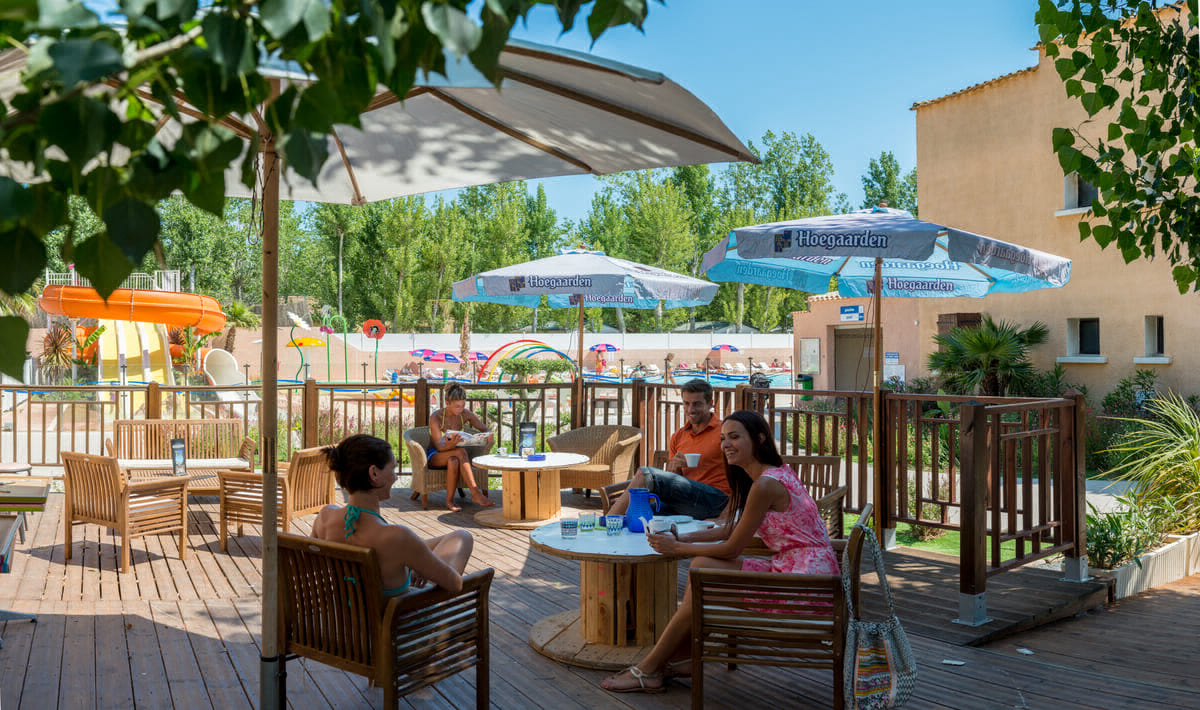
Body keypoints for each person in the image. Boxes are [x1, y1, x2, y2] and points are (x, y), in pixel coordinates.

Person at [600, 410, 839, 693]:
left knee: (703, 581)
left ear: (760, 438)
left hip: (807, 585)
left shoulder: (765, 484)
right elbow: (731, 529)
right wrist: (684, 536)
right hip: (801, 571)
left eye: (735, 437)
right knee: (701, 565)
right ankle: (680, 659)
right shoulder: (771, 474)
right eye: (724, 438)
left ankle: (649, 669)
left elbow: (732, 547)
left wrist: (678, 547)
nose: (726, 444)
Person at [312, 434, 475, 596]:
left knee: (459, 536)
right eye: (393, 469)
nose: (396, 477)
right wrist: (424, 567)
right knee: (464, 537)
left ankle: (417, 563)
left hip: (344, 610)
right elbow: (455, 584)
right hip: (399, 611)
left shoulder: (325, 517)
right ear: (374, 474)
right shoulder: (398, 537)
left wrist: (422, 562)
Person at [607, 379, 728, 521]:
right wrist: (674, 468)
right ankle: (614, 529)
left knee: (644, 474)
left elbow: (742, 474)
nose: (690, 410)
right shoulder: (678, 436)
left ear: (710, 404)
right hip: (687, 503)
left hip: (716, 501)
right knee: (637, 515)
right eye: (686, 404)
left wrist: (728, 514)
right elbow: (673, 482)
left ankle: (606, 522)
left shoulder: (724, 432)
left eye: (697, 404)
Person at [429, 383, 495, 512]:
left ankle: (449, 501)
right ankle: (475, 493)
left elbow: (484, 428)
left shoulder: (465, 414)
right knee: (460, 451)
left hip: (453, 454)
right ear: (447, 403)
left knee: (453, 460)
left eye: (463, 405)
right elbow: (439, 446)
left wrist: (488, 434)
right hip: (435, 455)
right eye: (457, 406)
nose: (460, 409)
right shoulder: (436, 417)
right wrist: (451, 445)